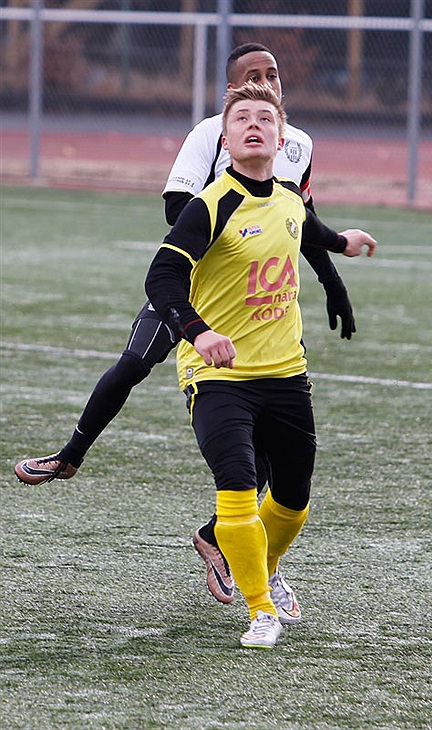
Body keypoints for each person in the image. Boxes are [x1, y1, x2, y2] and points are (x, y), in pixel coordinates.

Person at [15, 43, 355, 602]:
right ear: (230, 92)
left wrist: (333, 281)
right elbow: (177, 209)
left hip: (249, 310)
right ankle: (69, 456)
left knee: (266, 444)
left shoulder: (296, 143)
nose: (266, 82)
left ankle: (224, 541)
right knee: (133, 363)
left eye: (272, 74)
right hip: (194, 289)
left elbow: (301, 218)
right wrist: (227, 210)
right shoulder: (210, 135)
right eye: (252, 76)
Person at [145, 82, 376, 648]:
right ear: (225, 140)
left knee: (293, 500)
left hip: (286, 373)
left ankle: (261, 565)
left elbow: (307, 230)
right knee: (238, 486)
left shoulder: (291, 198)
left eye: (265, 119)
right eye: (242, 118)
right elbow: (161, 277)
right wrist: (199, 333)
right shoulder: (210, 205)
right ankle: (260, 610)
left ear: (281, 137)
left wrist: (342, 242)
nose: (254, 125)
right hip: (219, 377)